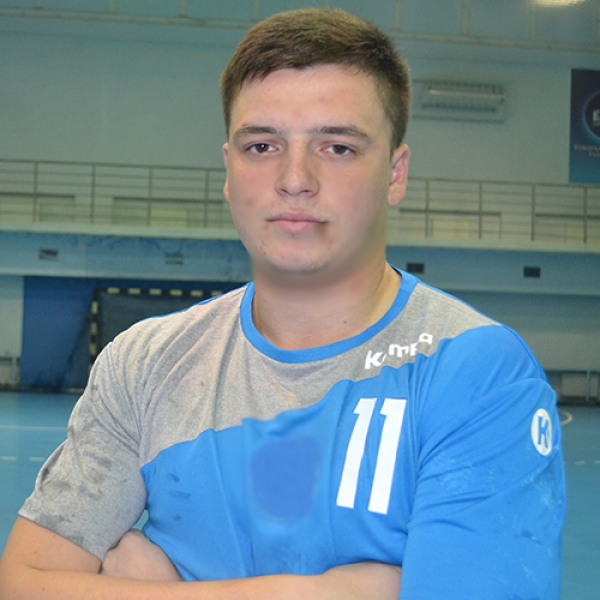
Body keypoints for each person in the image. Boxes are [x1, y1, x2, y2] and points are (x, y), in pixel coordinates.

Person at [0, 7, 565, 600]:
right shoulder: (145, 363)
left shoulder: (477, 372)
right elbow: (22, 583)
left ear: (395, 174)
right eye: (263, 145)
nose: (295, 178)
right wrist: (325, 593)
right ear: (229, 170)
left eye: (338, 147)